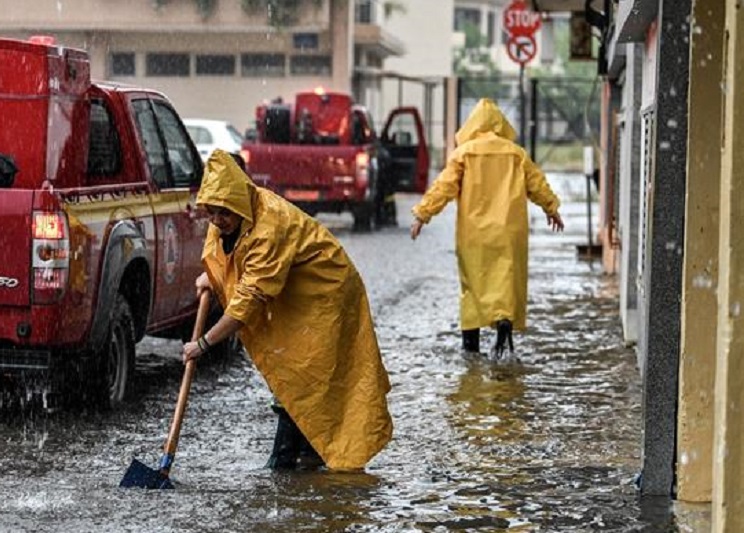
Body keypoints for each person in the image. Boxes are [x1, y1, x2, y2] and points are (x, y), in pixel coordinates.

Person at [183, 149, 393, 471]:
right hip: (293, 296)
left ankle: (285, 462)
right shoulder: (230, 214)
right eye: (210, 213)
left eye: (221, 214)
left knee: (305, 372)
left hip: (326, 295)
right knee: (296, 370)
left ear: (237, 203)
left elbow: (247, 303)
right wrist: (213, 276)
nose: (215, 221)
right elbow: (231, 255)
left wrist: (204, 343)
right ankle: (308, 458)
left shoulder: (270, 226)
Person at [409, 98, 564, 358]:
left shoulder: (463, 154)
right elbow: (537, 184)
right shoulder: (516, 154)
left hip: (474, 234)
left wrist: (422, 215)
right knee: (505, 282)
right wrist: (552, 209)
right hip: (509, 232)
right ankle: (504, 327)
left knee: (473, 286)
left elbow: (443, 187)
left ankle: (470, 347)